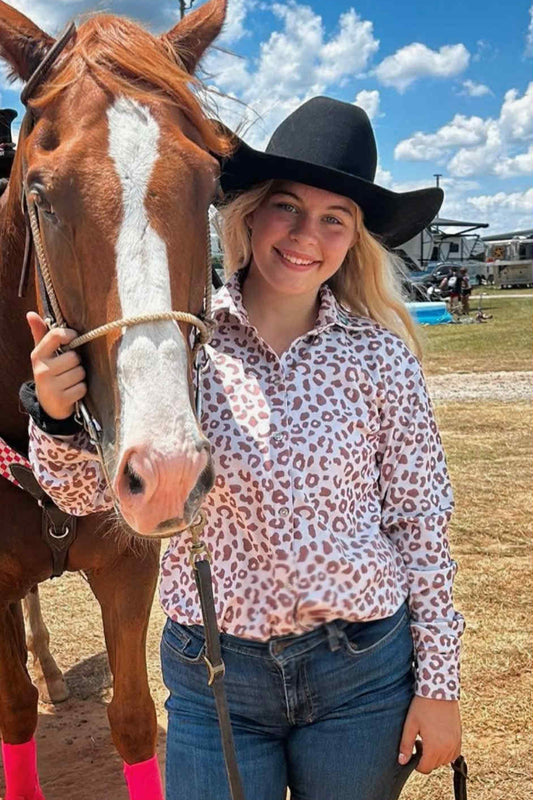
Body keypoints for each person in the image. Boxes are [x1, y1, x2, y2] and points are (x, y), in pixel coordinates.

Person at [23, 97, 463, 800]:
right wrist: (56, 420)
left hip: (361, 671)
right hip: (214, 676)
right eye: (287, 206)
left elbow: (419, 524)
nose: (304, 235)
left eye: (333, 219)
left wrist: (439, 687)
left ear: (353, 241)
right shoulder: (175, 345)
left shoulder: (381, 359)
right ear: (250, 214)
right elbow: (79, 502)